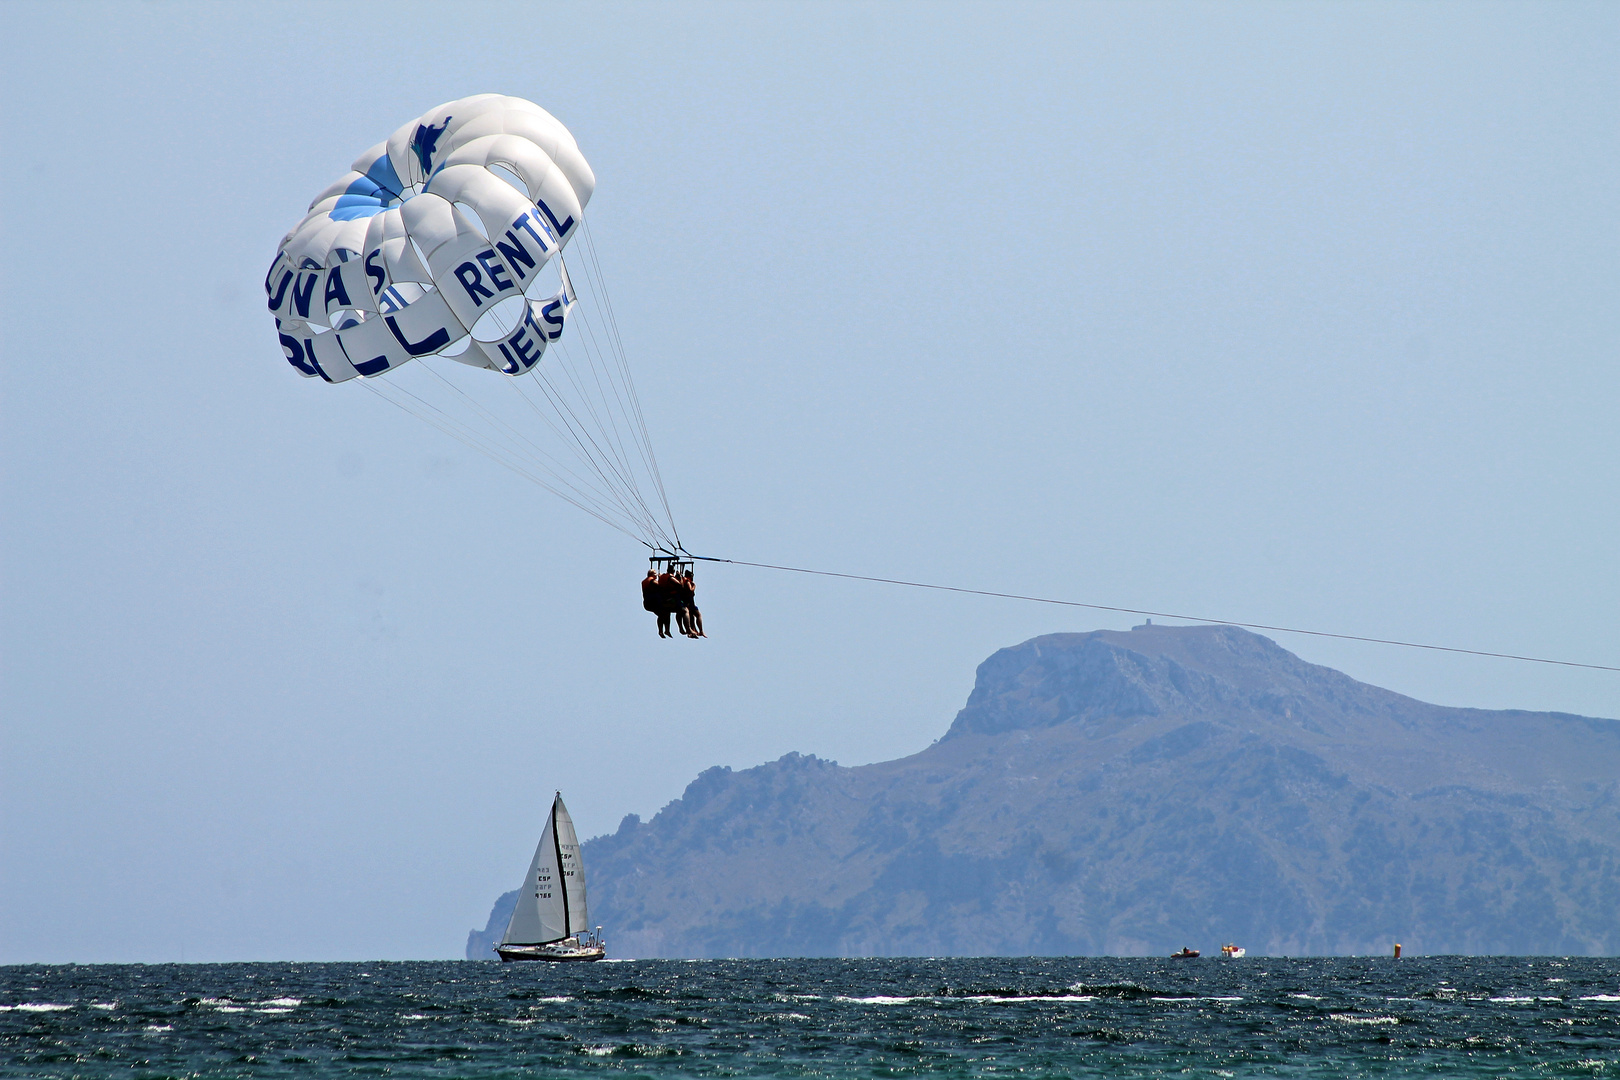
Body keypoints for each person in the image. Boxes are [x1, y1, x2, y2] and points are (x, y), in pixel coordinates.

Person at [642, 567, 670, 638]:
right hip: (653, 603)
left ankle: (663, 630)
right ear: (652, 574)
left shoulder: (644, 581)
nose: (657, 575)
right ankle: (664, 630)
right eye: (655, 574)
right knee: (665, 613)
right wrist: (661, 578)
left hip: (647, 603)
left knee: (662, 614)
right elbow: (660, 586)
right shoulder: (652, 580)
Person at [655, 569, 681, 638]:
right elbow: (679, 585)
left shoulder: (662, 577)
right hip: (669, 599)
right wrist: (680, 578)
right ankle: (684, 628)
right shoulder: (670, 577)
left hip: (663, 599)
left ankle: (665, 630)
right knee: (683, 610)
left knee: (665, 614)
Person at [681, 571, 705, 637]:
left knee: (692, 616)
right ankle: (699, 631)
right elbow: (690, 590)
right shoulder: (688, 581)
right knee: (697, 615)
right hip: (689, 601)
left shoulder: (682, 580)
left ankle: (694, 631)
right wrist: (694, 586)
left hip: (687, 601)